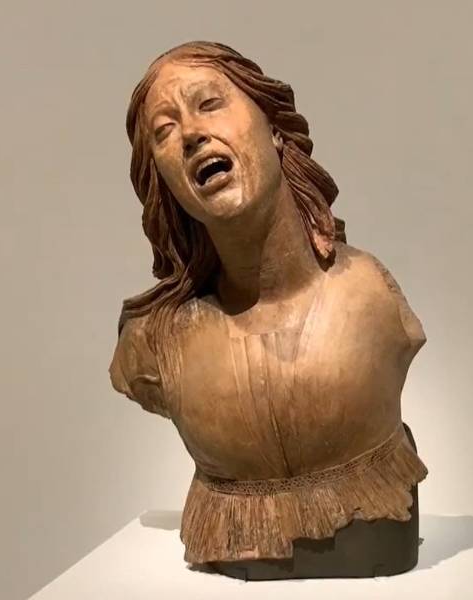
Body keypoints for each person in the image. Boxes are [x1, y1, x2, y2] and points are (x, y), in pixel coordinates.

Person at [109, 41, 428, 577]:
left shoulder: (371, 294)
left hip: (381, 539)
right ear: (162, 183)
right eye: (164, 131)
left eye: (209, 104)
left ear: (274, 129)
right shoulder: (153, 343)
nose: (190, 134)